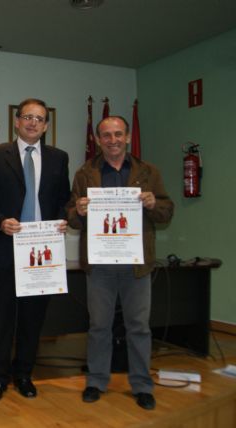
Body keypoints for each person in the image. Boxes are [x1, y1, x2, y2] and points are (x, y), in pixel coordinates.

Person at [66, 115, 174, 411]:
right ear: (99, 140)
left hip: (136, 264)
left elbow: (166, 211)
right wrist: (78, 209)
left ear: (127, 137)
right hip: (100, 265)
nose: (112, 140)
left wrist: (154, 204)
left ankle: (141, 385)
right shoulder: (85, 173)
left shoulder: (148, 172)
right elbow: (71, 218)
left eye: (117, 134)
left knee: (138, 327)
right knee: (99, 326)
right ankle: (97, 381)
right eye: (106, 135)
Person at [0, 98, 70, 402]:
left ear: (46, 125)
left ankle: (25, 374)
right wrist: (1, 221)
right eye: (27, 117)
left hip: (42, 251)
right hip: (5, 247)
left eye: (39, 118)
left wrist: (63, 218)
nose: (33, 123)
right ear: (17, 121)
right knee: (4, 315)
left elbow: (63, 199)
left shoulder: (59, 158)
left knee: (33, 316)